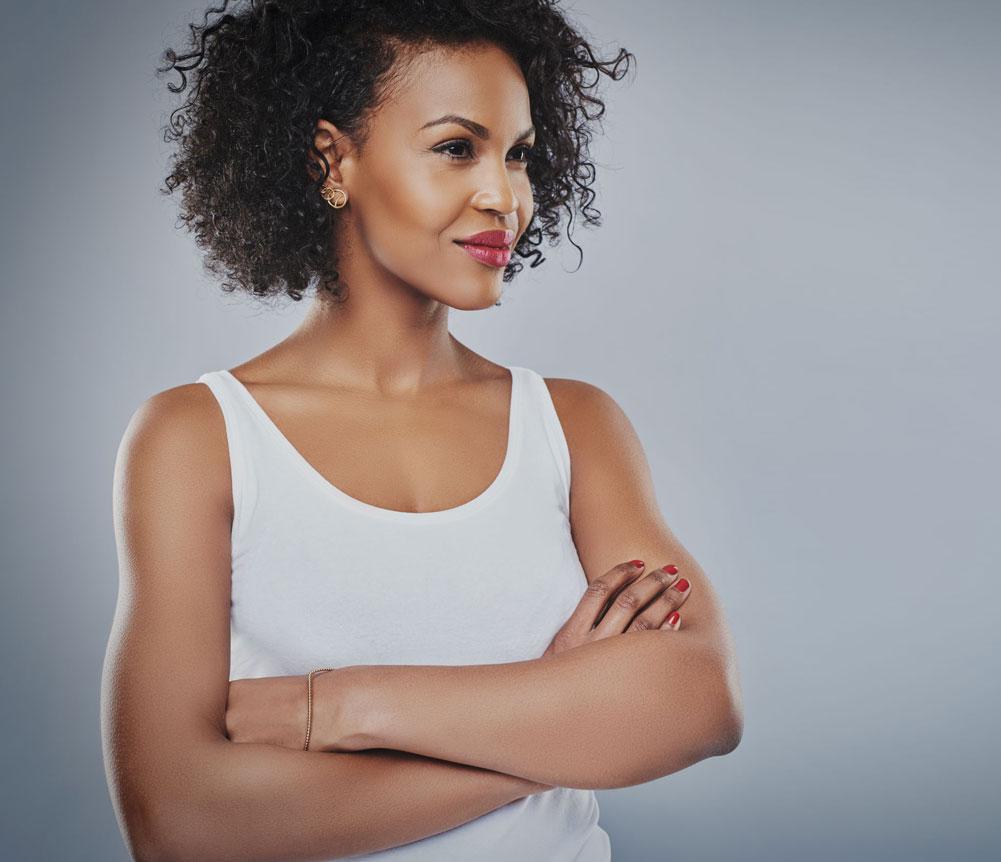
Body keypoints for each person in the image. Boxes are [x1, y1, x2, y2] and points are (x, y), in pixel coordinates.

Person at [101, 2, 743, 859]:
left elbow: (700, 703)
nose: (503, 195)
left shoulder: (574, 425)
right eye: (456, 148)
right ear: (334, 160)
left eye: (519, 156)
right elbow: (179, 823)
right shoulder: (198, 438)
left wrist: (334, 709)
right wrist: (560, 720)